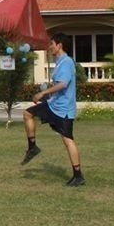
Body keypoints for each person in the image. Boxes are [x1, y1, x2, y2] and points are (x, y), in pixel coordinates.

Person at [21, 33, 84, 186]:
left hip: (62, 110)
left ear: (59, 45)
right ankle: (33, 147)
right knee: (28, 113)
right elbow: (60, 86)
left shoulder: (67, 62)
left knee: (68, 140)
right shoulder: (61, 62)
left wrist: (43, 92)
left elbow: (63, 84)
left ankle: (78, 176)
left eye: (52, 44)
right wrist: (47, 96)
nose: (50, 47)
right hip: (55, 105)